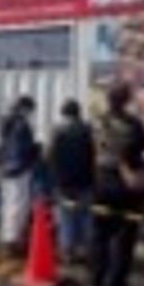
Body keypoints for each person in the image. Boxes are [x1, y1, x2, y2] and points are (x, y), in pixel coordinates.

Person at [90, 83, 144, 286]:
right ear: (126, 100)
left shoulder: (97, 122)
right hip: (126, 184)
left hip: (100, 182)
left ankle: (95, 284)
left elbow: (92, 148)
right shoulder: (133, 124)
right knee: (124, 236)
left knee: (99, 235)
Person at [48, 99, 95, 264]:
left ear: (64, 113)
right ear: (78, 112)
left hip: (64, 184)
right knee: (85, 216)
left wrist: (54, 179)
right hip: (84, 181)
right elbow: (94, 155)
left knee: (66, 217)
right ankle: (87, 250)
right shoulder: (87, 130)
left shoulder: (57, 131)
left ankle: (67, 252)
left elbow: (50, 156)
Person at [0, 95, 38, 257]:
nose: (31, 114)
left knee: (7, 205)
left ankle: (6, 237)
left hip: (5, 169)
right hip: (19, 169)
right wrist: (35, 151)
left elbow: (3, 146)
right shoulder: (22, 126)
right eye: (31, 110)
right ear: (25, 108)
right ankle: (13, 242)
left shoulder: (6, 121)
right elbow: (23, 150)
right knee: (19, 206)